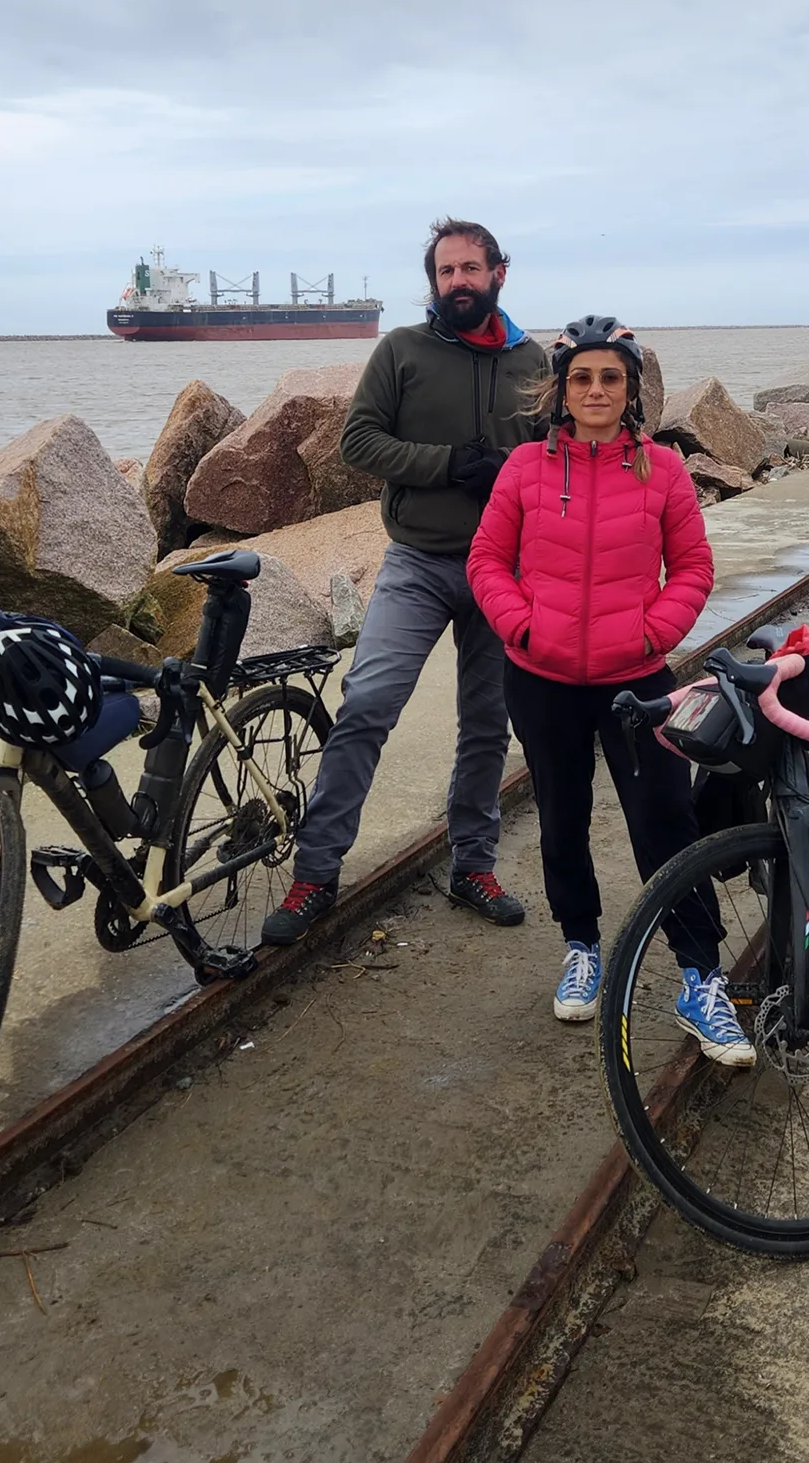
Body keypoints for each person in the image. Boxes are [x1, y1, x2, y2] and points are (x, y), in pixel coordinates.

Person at [466, 319, 754, 1063]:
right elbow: (487, 559)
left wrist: (654, 633)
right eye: (582, 377)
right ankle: (582, 946)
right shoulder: (525, 467)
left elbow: (692, 566)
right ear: (561, 390)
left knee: (665, 822)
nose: (596, 390)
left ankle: (700, 977)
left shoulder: (664, 470)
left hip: (638, 683)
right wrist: (522, 627)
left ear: (631, 390)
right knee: (561, 820)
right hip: (541, 678)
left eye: (611, 378)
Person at [261, 217, 553, 944]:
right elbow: (359, 442)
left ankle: (473, 865)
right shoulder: (401, 350)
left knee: (487, 723)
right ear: (434, 281)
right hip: (418, 562)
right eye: (445, 271)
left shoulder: (534, 361)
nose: (458, 282)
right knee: (367, 703)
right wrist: (450, 464)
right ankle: (315, 875)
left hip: (504, 568)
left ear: (499, 274)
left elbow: (557, 458)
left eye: (470, 269)